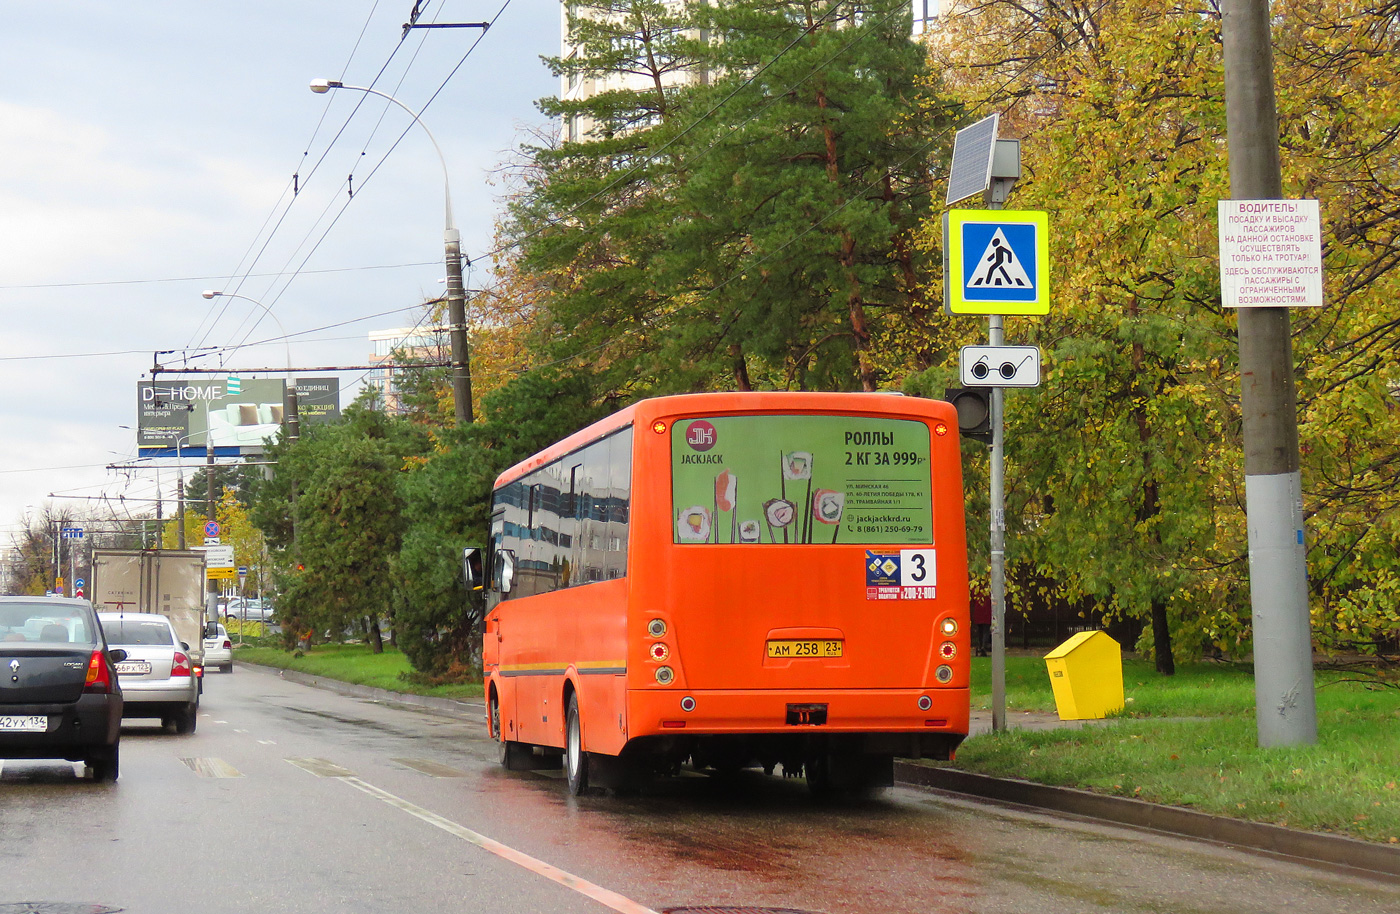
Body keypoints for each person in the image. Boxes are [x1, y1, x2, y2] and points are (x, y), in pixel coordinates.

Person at [970, 584, 992, 657]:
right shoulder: (989, 589)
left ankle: (981, 645)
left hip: (978, 612)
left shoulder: (976, 589)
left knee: (980, 631)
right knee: (986, 630)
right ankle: (984, 646)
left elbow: (973, 599)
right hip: (987, 612)